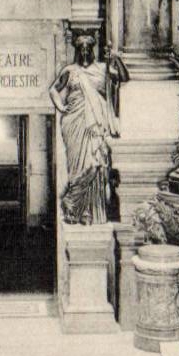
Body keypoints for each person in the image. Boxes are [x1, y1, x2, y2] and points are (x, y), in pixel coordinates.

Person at [49, 33, 129, 224]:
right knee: (78, 167)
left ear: (92, 50)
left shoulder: (102, 69)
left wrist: (116, 59)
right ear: (77, 51)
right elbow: (53, 89)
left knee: (95, 164)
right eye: (81, 48)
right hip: (74, 124)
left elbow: (123, 78)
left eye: (88, 48)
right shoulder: (70, 70)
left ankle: (86, 209)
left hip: (96, 126)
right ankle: (77, 210)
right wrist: (60, 106)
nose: (84, 51)